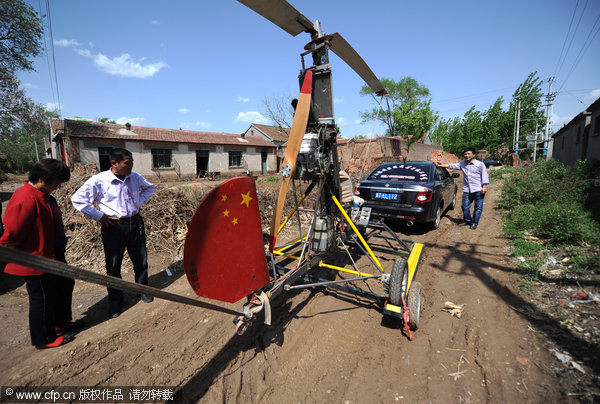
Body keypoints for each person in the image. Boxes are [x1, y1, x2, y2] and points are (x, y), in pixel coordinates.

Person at [71, 148, 155, 318]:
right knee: (114, 265)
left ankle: (142, 290)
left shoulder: (135, 177)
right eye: (127, 163)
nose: (131, 166)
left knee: (141, 260)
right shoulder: (99, 180)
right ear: (114, 163)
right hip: (113, 228)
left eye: (131, 162)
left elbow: (149, 188)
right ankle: (116, 300)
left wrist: (138, 203)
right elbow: (77, 199)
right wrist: (98, 215)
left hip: (135, 224)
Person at [0, 159, 73, 349]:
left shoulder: (44, 195)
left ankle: (61, 322)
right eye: (57, 183)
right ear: (42, 179)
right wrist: (19, 256)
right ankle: (44, 338)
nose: (58, 187)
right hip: (37, 259)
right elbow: (12, 235)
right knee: (43, 298)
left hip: (53, 253)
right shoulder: (25, 198)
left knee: (64, 285)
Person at [435, 148, 489, 230]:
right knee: (464, 206)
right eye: (465, 154)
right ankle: (468, 220)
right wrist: (439, 165)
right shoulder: (462, 164)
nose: (467, 155)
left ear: (473, 155)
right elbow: (451, 165)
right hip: (467, 190)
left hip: (478, 189)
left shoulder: (480, 164)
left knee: (478, 208)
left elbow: (484, 175)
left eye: (469, 154)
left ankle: (474, 222)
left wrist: (484, 186)